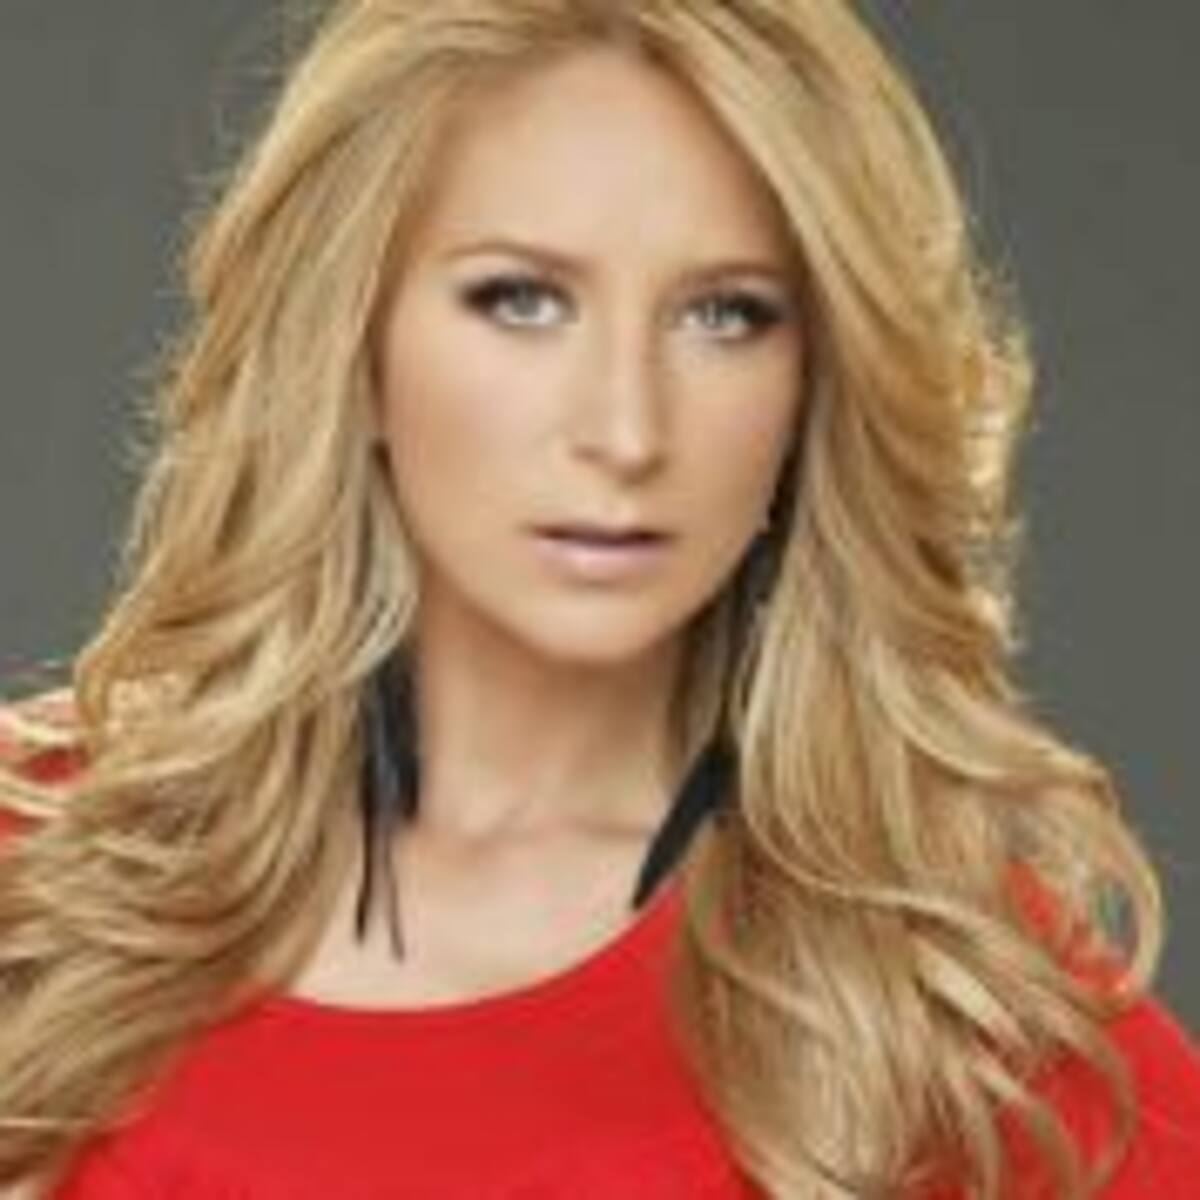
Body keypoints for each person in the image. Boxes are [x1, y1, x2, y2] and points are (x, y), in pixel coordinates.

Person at [1, 1, 1198, 1196]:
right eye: (522, 299)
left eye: (725, 315)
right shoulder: (42, 891)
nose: (627, 431)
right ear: (352, 349)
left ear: (813, 387)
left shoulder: (950, 1006)